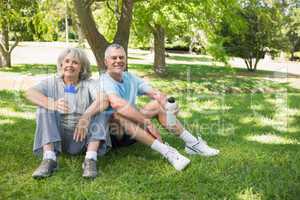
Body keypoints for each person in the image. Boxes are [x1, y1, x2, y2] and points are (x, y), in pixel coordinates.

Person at [97, 44, 219, 171]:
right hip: (115, 134)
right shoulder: (104, 80)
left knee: (157, 104)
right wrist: (146, 122)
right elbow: (117, 104)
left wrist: (168, 106)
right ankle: (168, 152)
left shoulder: (130, 77)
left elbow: (155, 93)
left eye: (121, 57)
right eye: (114, 58)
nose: (118, 61)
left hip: (134, 130)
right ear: (106, 61)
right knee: (117, 115)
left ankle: (192, 143)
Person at [26, 47, 109, 179]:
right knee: (43, 107)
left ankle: (90, 159)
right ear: (61, 64)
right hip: (58, 139)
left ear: (82, 68)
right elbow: (30, 93)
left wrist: (85, 117)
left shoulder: (90, 83)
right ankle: (49, 159)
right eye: (67, 61)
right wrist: (52, 104)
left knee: (103, 111)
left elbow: (104, 100)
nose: (70, 65)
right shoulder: (52, 81)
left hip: (84, 138)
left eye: (75, 62)